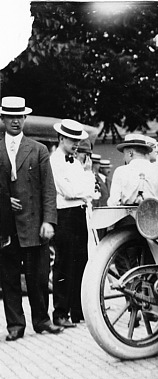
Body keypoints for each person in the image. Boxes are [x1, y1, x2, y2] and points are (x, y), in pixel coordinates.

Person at [0, 96, 62, 340]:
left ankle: (42, 320)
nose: (16, 121)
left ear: (24, 118)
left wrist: (49, 221)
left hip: (34, 224)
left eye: (20, 116)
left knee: (38, 277)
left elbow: (48, 189)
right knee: (9, 277)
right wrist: (4, 203)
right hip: (5, 225)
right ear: (3, 119)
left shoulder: (38, 150)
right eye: (10, 117)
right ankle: (15, 325)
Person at [50, 119, 97, 326]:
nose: (76, 144)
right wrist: (86, 184)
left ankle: (77, 311)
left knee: (80, 261)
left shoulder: (76, 162)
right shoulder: (55, 162)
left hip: (79, 214)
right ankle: (60, 312)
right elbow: (70, 192)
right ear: (61, 138)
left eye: (78, 140)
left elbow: (90, 191)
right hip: (65, 215)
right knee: (64, 264)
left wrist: (84, 186)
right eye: (72, 139)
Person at [107, 133, 158, 206]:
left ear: (130, 153)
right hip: (155, 214)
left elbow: (114, 202)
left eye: (124, 154)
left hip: (128, 215)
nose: (124, 158)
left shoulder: (120, 171)